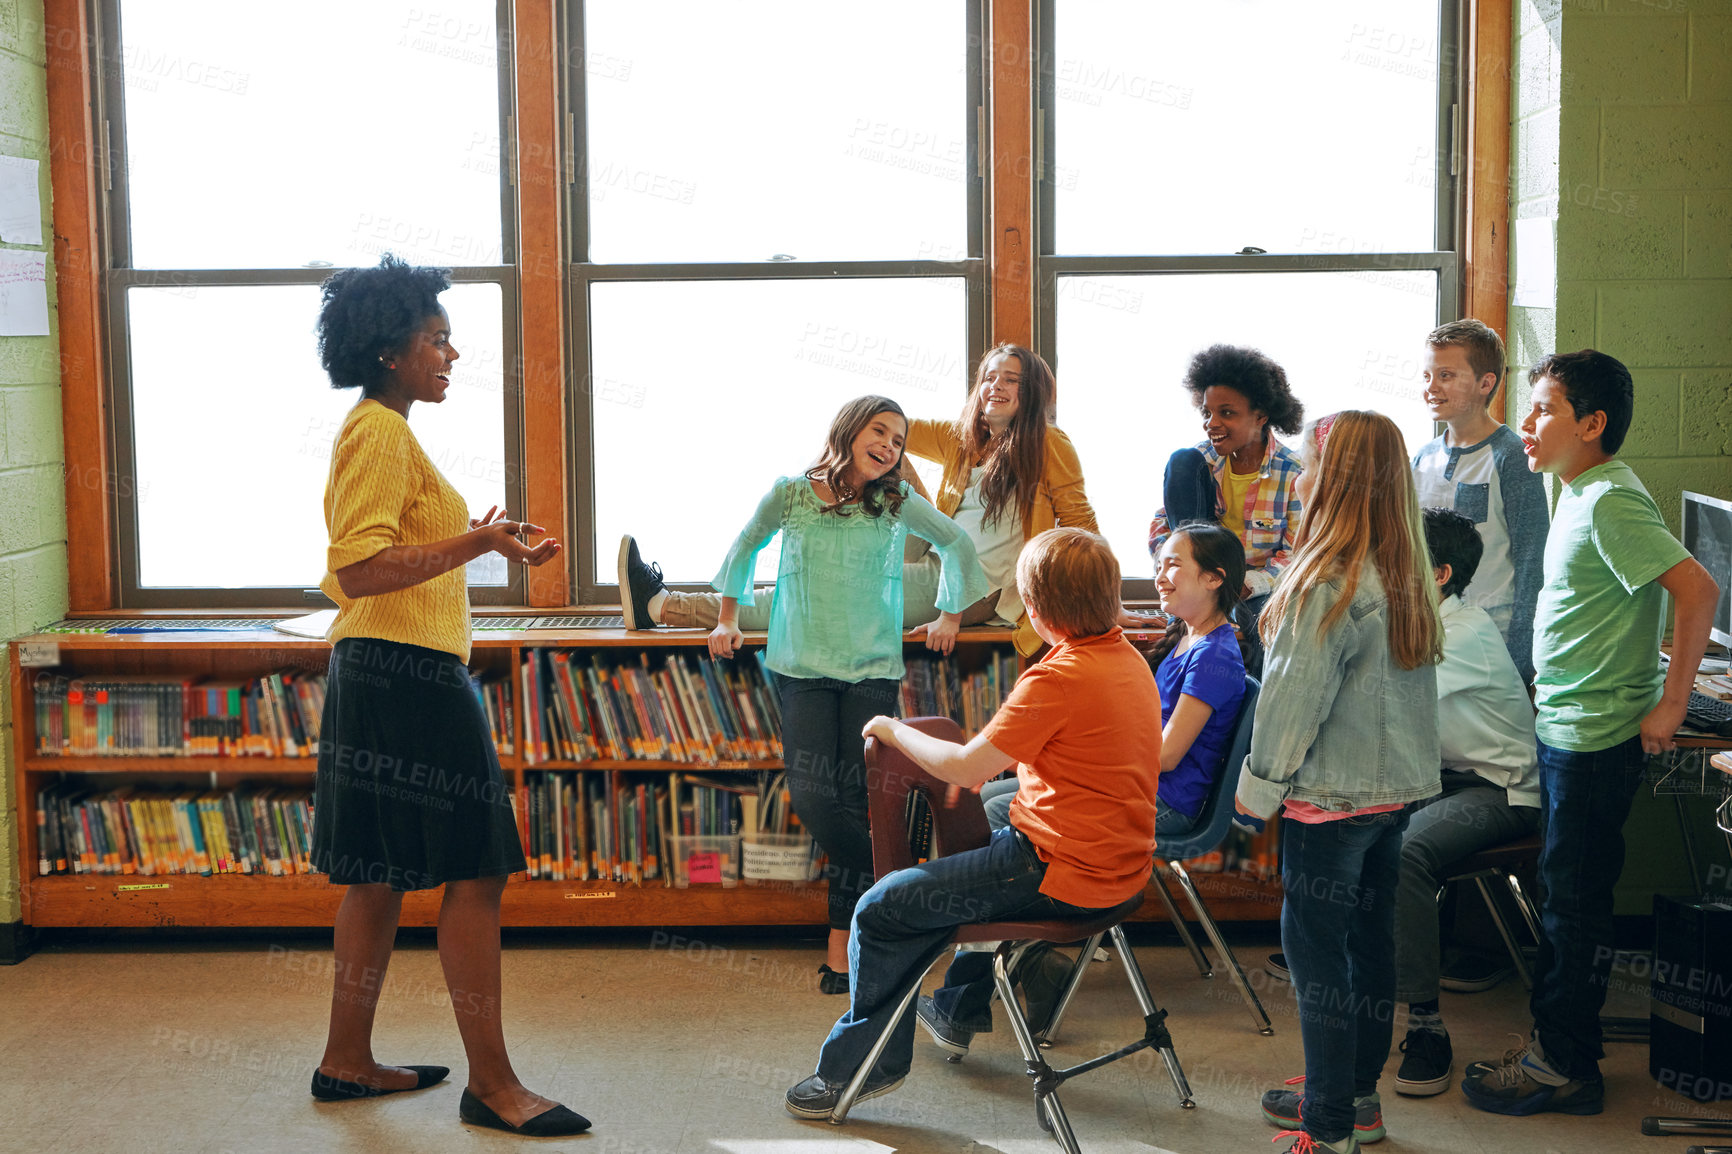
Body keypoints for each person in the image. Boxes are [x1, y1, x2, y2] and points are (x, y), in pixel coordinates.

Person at [309, 255, 586, 1137]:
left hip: (385, 672)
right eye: (437, 338)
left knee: (379, 875)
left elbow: (387, 555)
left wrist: (482, 539)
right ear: (390, 350)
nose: (453, 353)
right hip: (410, 674)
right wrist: (475, 549)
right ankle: (494, 1085)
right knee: (477, 870)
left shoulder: (383, 429)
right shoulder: (381, 433)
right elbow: (356, 567)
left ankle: (346, 1062)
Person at [782, 528, 1162, 1118]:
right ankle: (960, 1005)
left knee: (879, 910)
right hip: (1126, 869)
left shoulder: (1057, 678)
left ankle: (861, 1069)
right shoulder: (1127, 659)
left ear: (1036, 608)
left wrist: (889, 728)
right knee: (975, 837)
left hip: (1059, 873)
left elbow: (964, 767)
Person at [1460, 351, 1719, 1117]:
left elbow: (1699, 588)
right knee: (1568, 900)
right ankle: (1560, 1050)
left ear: (1592, 423)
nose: (1527, 423)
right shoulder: (1577, 488)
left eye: (1542, 409)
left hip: (1595, 740)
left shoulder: (1609, 500)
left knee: (1574, 909)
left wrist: (1673, 705)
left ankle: (1562, 1068)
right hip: (1570, 726)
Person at [695, 395, 988, 994]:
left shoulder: (897, 502)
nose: (889, 446)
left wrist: (951, 615)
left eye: (899, 440)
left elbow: (958, 544)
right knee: (815, 800)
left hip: (872, 671)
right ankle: (915, 896)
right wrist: (727, 619)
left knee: (857, 803)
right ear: (849, 432)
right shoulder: (792, 493)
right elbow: (744, 546)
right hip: (800, 668)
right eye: (880, 432)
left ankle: (842, 951)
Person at [620, 343, 1142, 657]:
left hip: (976, 586)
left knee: (817, 596)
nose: (995, 386)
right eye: (989, 377)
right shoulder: (963, 436)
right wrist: (860, 447)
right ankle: (828, 527)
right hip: (933, 554)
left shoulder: (1050, 445)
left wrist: (1107, 601)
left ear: (1033, 392)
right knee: (884, 437)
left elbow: (1082, 525)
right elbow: (886, 426)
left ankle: (663, 606)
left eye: (1011, 379)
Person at [1239, 411, 1444, 1154]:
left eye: (1311, 461)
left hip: (1328, 805)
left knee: (1316, 960)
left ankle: (1326, 1127)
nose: (1302, 471)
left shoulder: (1325, 580)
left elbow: (1292, 704)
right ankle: (1356, 1099)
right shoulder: (1406, 570)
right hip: (1393, 800)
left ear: (1334, 477)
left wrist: (1257, 789)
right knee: (1368, 948)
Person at [1391, 508, 1541, 1098]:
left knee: (1402, 853)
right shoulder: (1418, 620)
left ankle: (1426, 1028)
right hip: (1447, 778)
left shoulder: (1462, 635)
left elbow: (1391, 709)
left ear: (1439, 573)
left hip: (1501, 789)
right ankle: (1360, 1001)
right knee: (1347, 824)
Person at [1148, 344, 1306, 675]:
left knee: (1256, 628)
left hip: (1255, 591)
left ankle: (1245, 714)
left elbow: (1296, 553)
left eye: (1227, 413)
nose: (1212, 423)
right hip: (1202, 579)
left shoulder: (1293, 473)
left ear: (1261, 417)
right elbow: (1162, 528)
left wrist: (1243, 585)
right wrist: (1179, 571)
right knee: (1181, 460)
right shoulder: (1199, 462)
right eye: (1207, 412)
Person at [1411, 319, 1550, 683]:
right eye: (1427, 376)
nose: (1431, 388)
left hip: (1493, 639)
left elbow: (1533, 559)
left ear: (1486, 382)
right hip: (1429, 635)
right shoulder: (1422, 459)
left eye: (1446, 375)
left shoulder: (1512, 457)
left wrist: (1524, 658)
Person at [1145, 522, 1248, 836]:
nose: (1160, 578)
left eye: (1173, 565)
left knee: (1003, 807)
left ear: (1213, 578)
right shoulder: (1189, 638)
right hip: (1152, 788)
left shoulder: (1213, 656)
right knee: (1003, 799)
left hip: (1168, 802)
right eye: (1159, 566)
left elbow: (1165, 757)